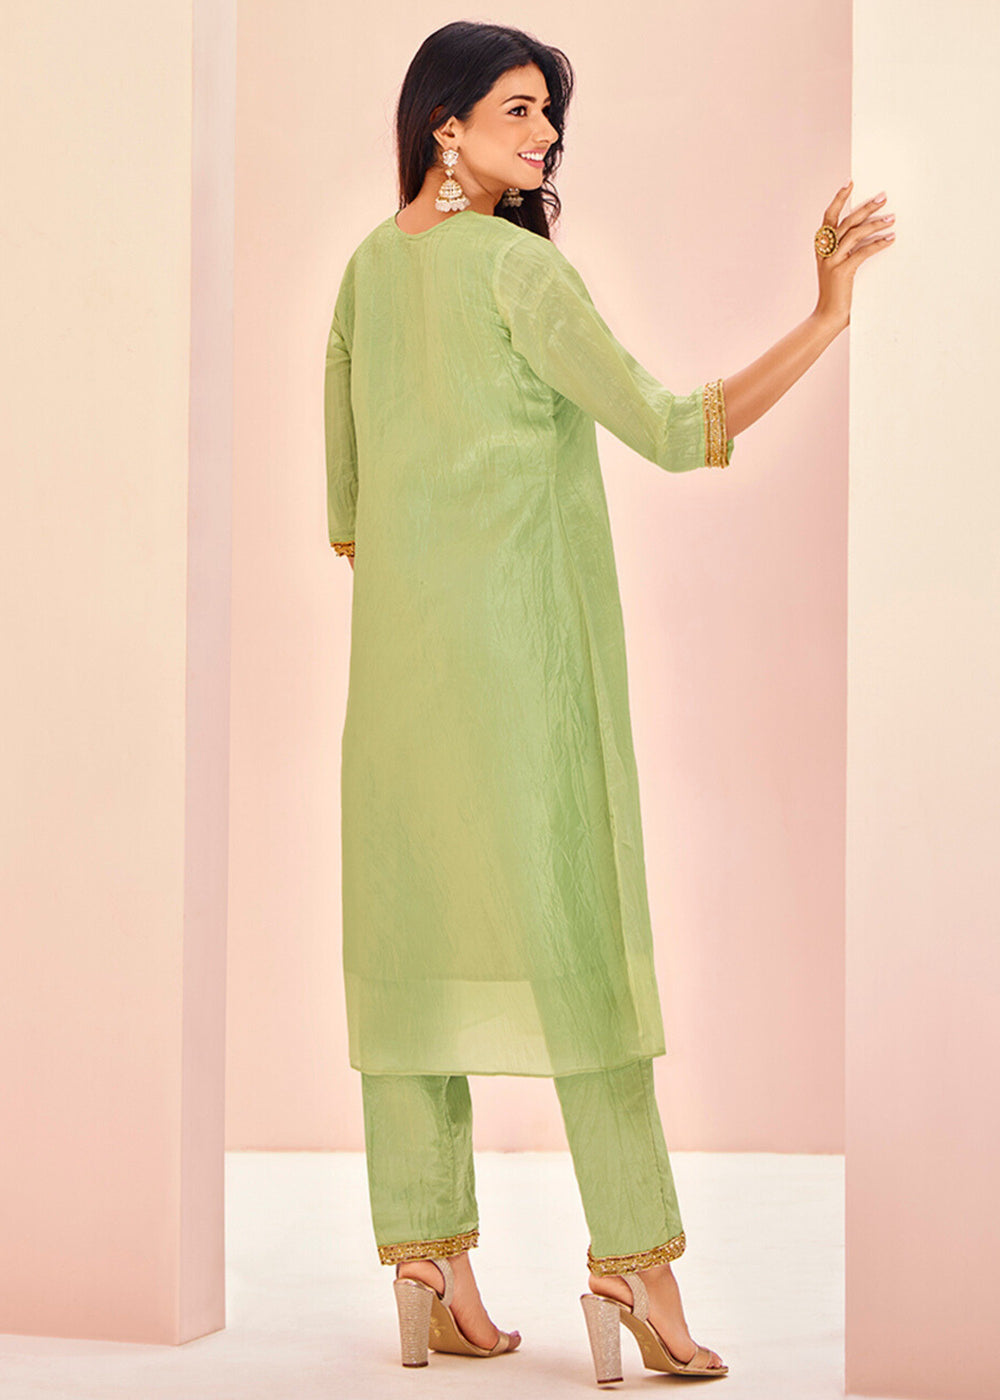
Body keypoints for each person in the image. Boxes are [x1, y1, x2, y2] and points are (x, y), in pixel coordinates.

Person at [323, 19, 894, 1383]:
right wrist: (827, 317)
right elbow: (677, 428)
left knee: (409, 964)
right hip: (529, 684)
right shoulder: (520, 274)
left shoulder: (361, 276)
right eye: (519, 110)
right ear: (445, 123)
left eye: (549, 116)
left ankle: (427, 1262)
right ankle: (635, 1267)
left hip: (397, 700)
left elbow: (347, 516)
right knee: (584, 958)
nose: (545, 137)